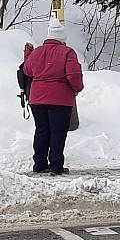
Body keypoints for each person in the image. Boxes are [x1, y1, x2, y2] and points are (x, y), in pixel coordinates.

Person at [23, 17, 84, 175]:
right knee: (58, 132)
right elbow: (73, 75)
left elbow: (28, 71)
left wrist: (28, 56)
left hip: (37, 99)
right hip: (60, 100)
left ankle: (39, 165)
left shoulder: (36, 53)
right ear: (62, 37)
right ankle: (56, 166)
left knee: (41, 130)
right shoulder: (67, 52)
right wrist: (77, 89)